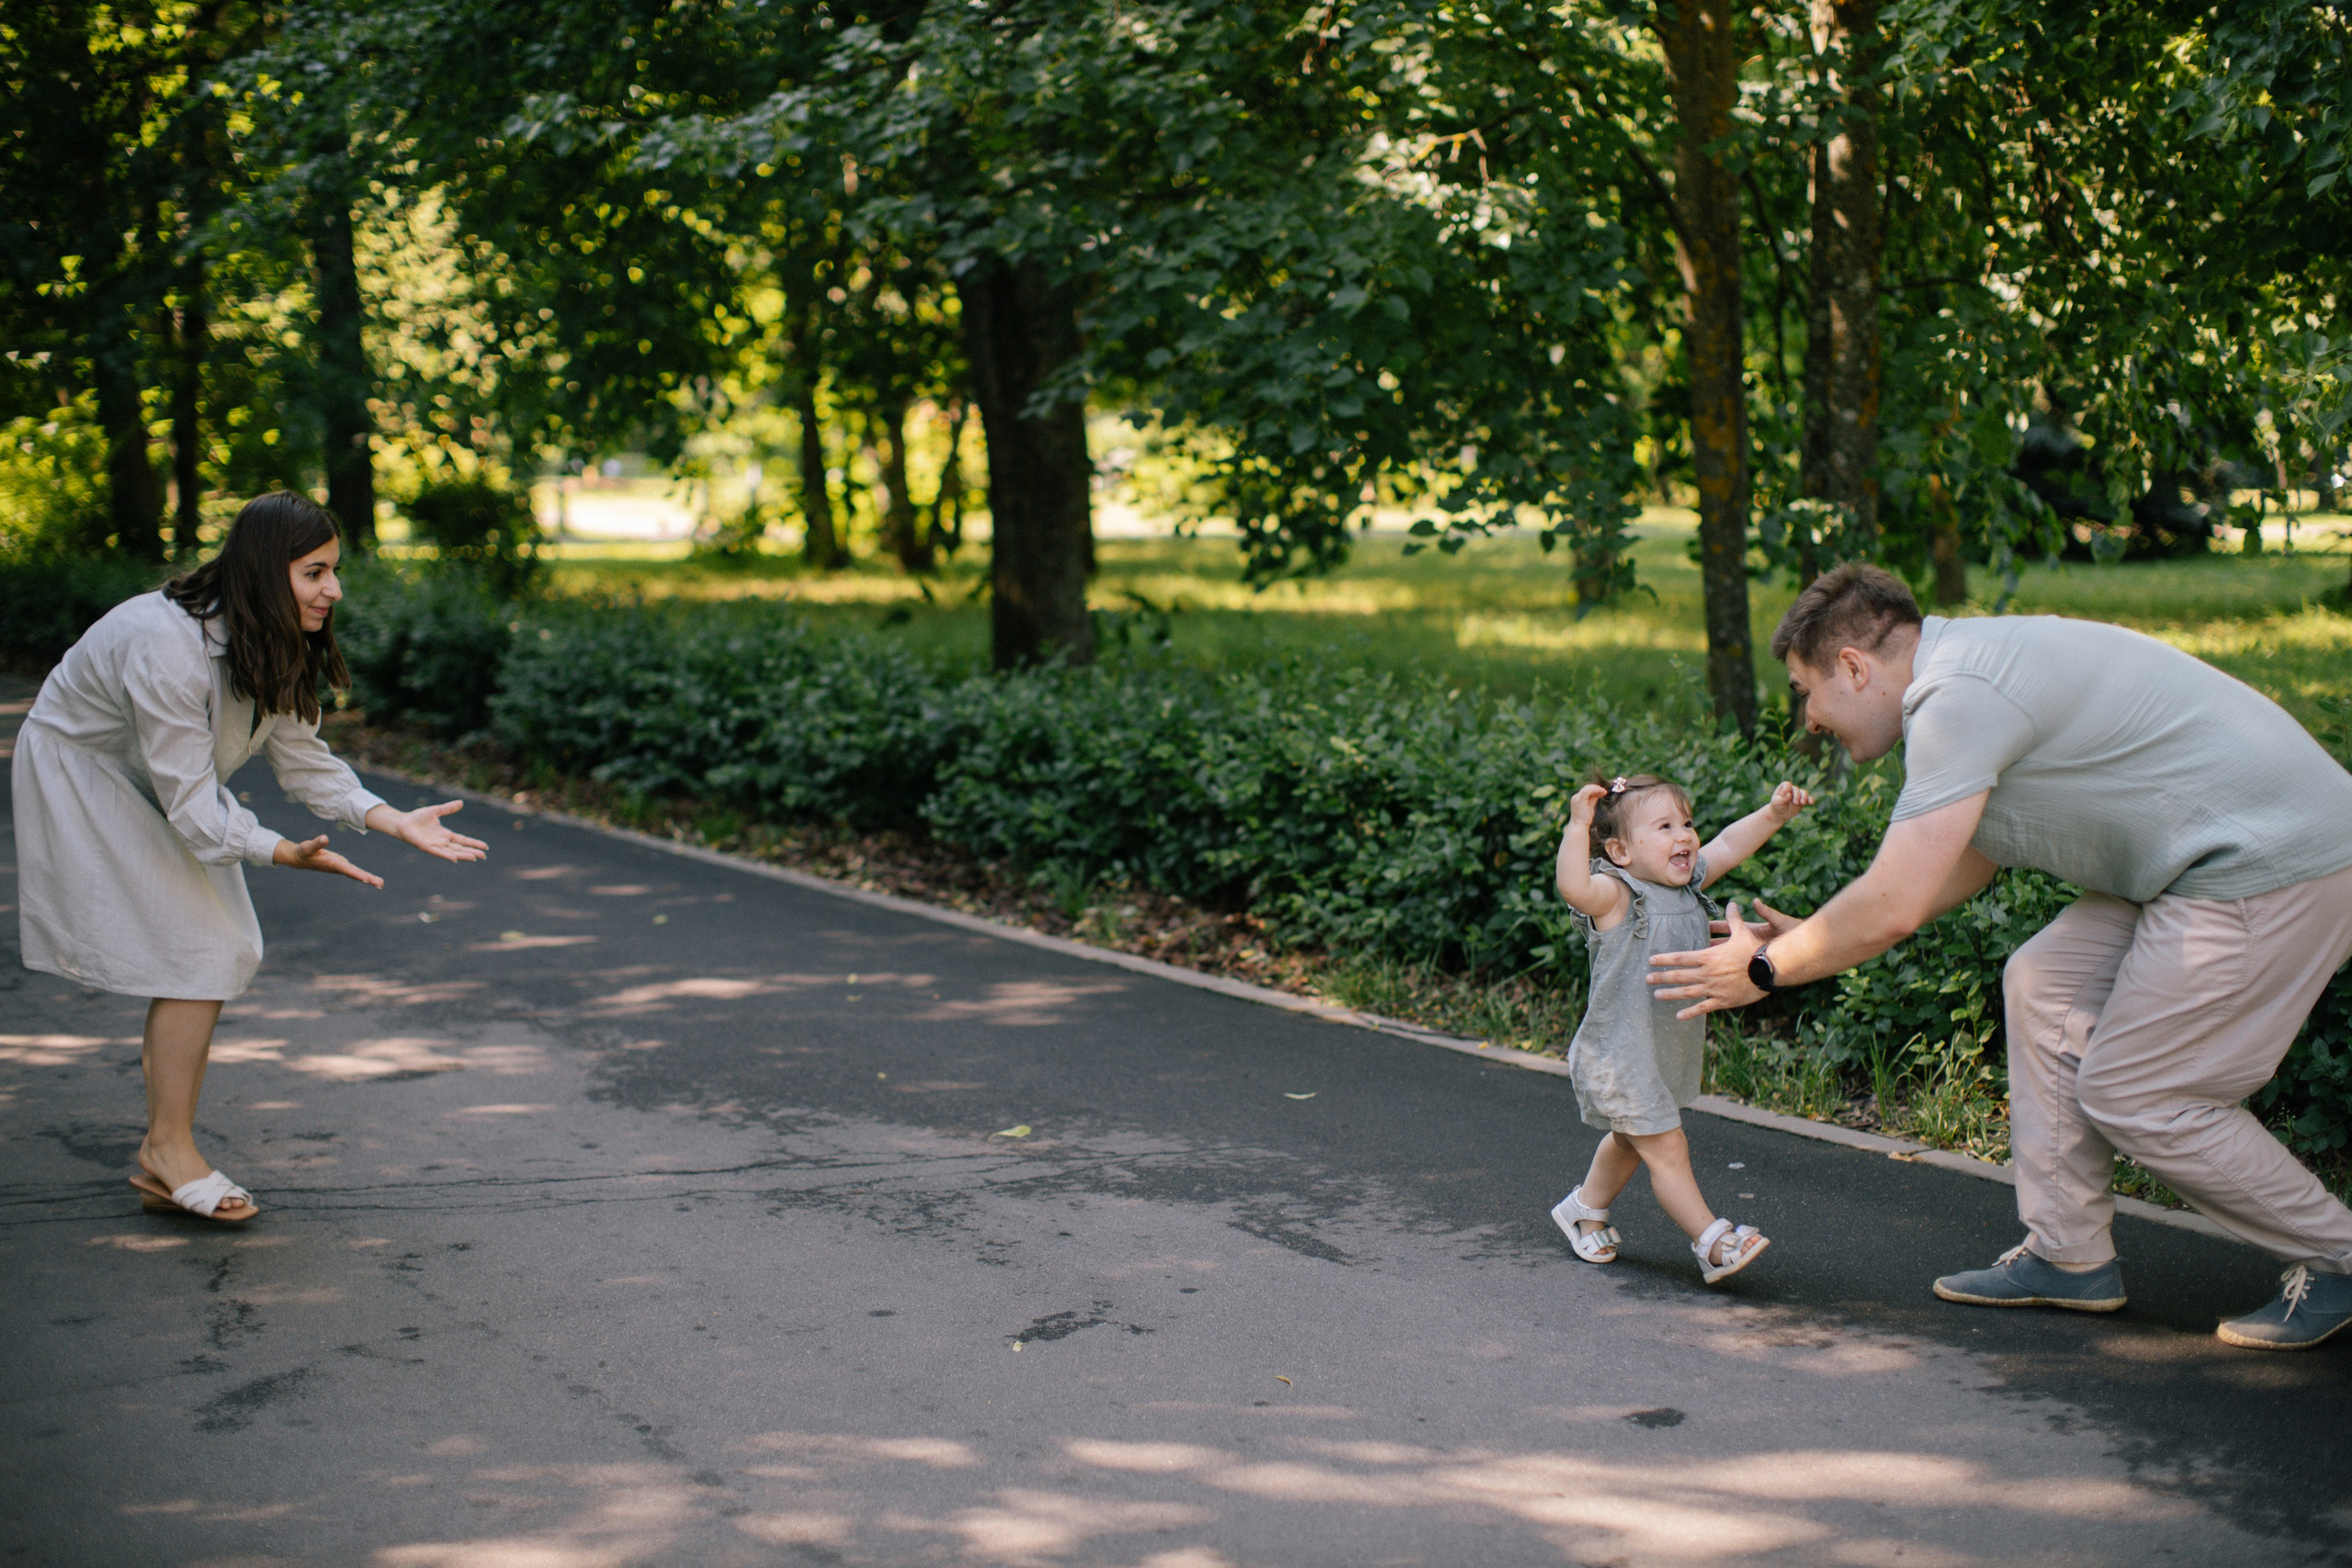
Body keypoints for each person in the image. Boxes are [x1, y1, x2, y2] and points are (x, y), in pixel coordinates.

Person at [1649, 563, 2352, 1348]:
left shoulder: (1959, 698)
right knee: (2044, 983)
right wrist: (1808, 932)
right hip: (2194, 860)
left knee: (2139, 1090)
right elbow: (1964, 858)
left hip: (2271, 859)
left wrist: (1762, 969)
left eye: (1806, 691)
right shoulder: (1965, 680)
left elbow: (1896, 903)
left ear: (1853, 667)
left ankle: (2338, 1254)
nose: (1808, 720)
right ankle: (2070, 1255)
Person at [11, 492, 489, 1224]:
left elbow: (304, 762)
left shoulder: (272, 637)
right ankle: (167, 1152)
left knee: (214, 945)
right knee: (205, 942)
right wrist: (279, 851)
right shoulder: (162, 644)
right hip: (87, 768)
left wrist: (392, 819)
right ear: (267, 571)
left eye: (334, 571)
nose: (334, 589)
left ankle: (165, 1151)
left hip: (161, 777)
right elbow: (197, 811)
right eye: (315, 571)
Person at [1550, 770, 1814, 1284]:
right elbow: (1573, 886)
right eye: (1666, 826)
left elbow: (1731, 843)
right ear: (1622, 852)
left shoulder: (1688, 885)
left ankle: (1583, 1209)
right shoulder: (1617, 897)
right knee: (1666, 1146)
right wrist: (1577, 827)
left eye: (1687, 823)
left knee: (1631, 1140)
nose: (1685, 836)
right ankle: (1711, 1240)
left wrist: (1775, 813)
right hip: (1619, 1053)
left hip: (1661, 1049)